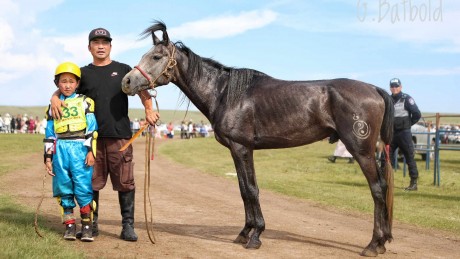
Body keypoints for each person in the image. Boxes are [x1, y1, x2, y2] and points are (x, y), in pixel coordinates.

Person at [50, 28, 160, 241]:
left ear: (111, 46)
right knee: (91, 183)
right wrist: (55, 97)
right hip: (90, 140)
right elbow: (66, 86)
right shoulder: (83, 73)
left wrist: (148, 109)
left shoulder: (123, 69)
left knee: (125, 182)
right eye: (96, 42)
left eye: (105, 42)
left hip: (120, 137)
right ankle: (93, 224)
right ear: (89, 47)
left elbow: (142, 90)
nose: (101, 46)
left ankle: (127, 226)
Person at [44, 62, 98, 241]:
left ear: (77, 83)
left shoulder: (86, 102)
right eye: (63, 81)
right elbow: (50, 134)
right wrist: (48, 157)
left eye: (71, 81)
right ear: (57, 84)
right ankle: (69, 226)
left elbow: (92, 129)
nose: (67, 85)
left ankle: (87, 226)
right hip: (61, 150)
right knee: (64, 188)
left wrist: (91, 152)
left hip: (80, 149)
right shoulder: (53, 106)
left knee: (83, 188)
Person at [389, 78, 421, 191]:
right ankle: (386, 181)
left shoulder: (407, 99)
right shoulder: (388, 99)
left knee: (409, 158)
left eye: (396, 86)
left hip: (404, 133)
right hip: (392, 133)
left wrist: (408, 124)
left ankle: (414, 183)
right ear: (390, 87)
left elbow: (417, 114)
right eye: (392, 86)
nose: (394, 88)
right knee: (386, 158)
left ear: (400, 87)